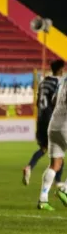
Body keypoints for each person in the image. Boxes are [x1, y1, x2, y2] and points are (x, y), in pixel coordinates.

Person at [23, 59, 65, 187]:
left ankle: (29, 166)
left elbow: (38, 103)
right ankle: (58, 182)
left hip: (40, 118)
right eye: (63, 69)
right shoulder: (58, 83)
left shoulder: (42, 82)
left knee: (43, 148)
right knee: (60, 150)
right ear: (59, 70)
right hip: (51, 119)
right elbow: (57, 101)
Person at [37, 62, 67, 210]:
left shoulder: (62, 80)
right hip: (66, 125)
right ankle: (65, 189)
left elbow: (54, 100)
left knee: (55, 164)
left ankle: (43, 199)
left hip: (54, 124)